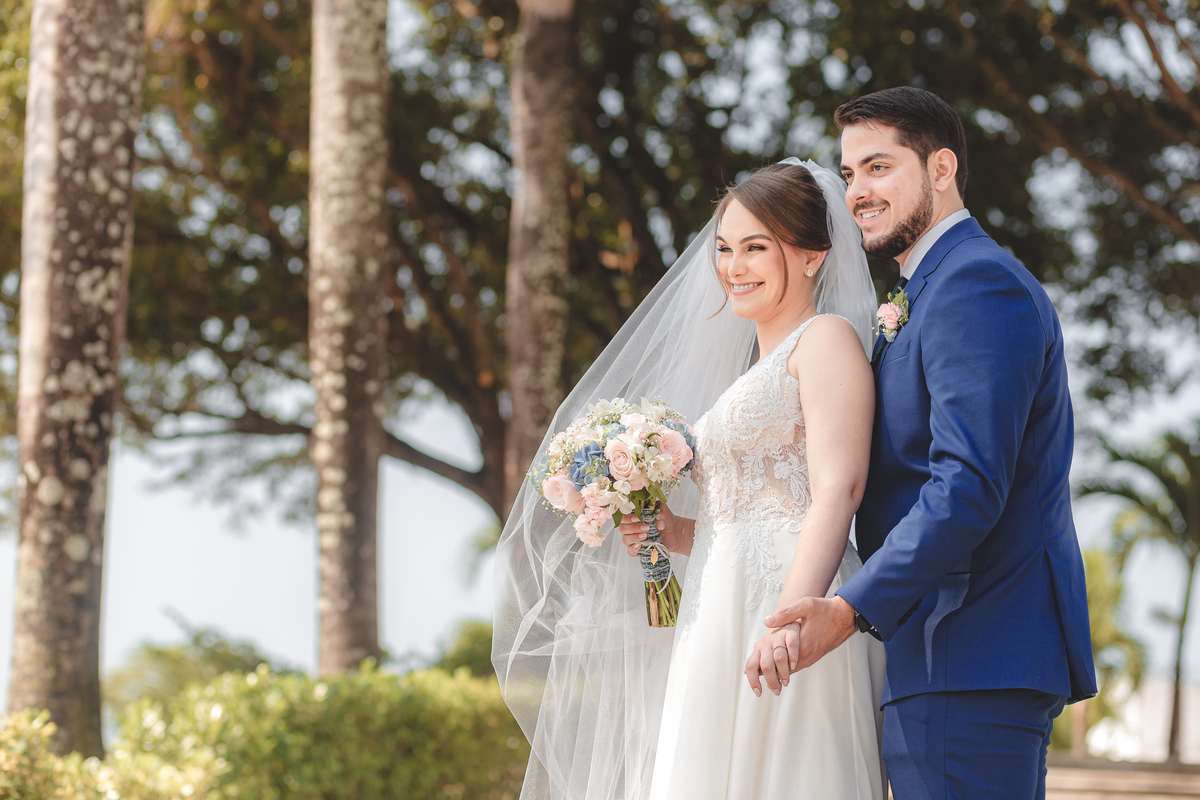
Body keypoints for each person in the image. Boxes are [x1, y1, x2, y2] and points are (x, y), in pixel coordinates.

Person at [493, 160, 885, 799]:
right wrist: (672, 531)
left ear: (813, 255)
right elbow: (740, 510)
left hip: (784, 597)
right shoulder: (752, 371)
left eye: (756, 247)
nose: (733, 266)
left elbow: (838, 488)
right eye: (724, 248)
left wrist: (791, 618)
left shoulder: (826, 340)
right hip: (716, 602)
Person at [764, 87, 1098, 800]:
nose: (857, 191)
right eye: (850, 173)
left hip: (973, 645)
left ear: (941, 168)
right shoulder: (930, 289)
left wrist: (849, 610)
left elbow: (968, 485)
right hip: (944, 652)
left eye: (879, 167)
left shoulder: (975, 284)